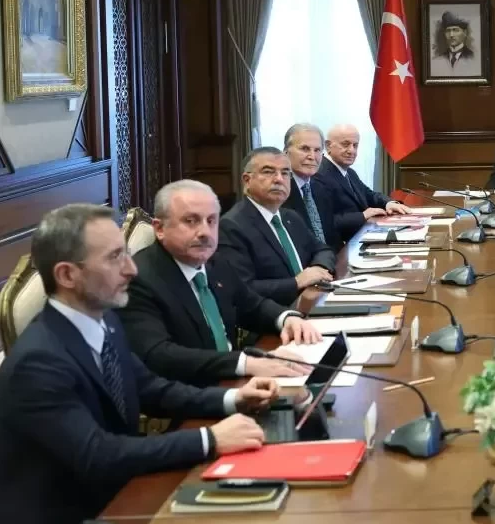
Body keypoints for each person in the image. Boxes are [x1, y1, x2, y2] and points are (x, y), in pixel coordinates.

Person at [0, 204, 276, 524]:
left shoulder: (103, 319)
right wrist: (210, 438)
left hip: (118, 493)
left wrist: (234, 398)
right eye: (114, 258)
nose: (132, 269)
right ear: (67, 276)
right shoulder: (36, 364)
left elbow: (151, 388)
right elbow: (98, 453)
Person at [120, 180, 320, 386]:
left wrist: (287, 318)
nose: (204, 232)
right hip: (191, 392)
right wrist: (245, 363)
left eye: (211, 221)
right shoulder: (138, 279)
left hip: (234, 381)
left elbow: (251, 305)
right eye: (191, 221)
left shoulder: (215, 261)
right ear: (160, 228)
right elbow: (161, 355)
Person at [217, 148, 336, 307]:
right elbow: (242, 288)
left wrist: (318, 269)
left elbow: (323, 250)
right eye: (268, 172)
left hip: (311, 300)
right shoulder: (231, 226)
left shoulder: (290, 217)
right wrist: (296, 282)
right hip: (275, 315)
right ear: (247, 180)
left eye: (285, 173)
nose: (279, 179)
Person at [313, 123, 409, 243]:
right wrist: (363, 215)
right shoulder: (319, 174)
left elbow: (369, 195)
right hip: (343, 246)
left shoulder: (349, 172)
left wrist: (388, 203)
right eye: (345, 144)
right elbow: (325, 221)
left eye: (355, 145)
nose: (351, 150)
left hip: (362, 236)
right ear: (328, 146)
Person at [283, 123, 339, 250]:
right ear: (286, 153)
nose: (312, 157)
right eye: (304, 149)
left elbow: (332, 237)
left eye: (317, 150)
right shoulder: (280, 191)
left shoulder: (323, 187)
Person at [429, 10, 478, 79]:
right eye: (448, 31)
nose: (451, 35)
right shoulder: (439, 58)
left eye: (455, 30)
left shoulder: (472, 57)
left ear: (465, 33)